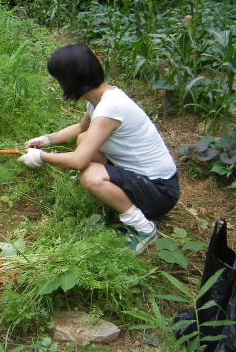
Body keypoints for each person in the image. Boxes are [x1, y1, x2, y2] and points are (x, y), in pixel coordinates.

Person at [17, 43, 179, 253]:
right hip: (147, 180)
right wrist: (46, 140)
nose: (57, 84)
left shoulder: (109, 108)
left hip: (160, 191)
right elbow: (80, 129)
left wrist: (41, 157)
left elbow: (78, 161)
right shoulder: (102, 99)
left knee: (90, 175)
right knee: (84, 139)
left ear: (70, 79)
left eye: (58, 79)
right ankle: (118, 198)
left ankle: (143, 228)